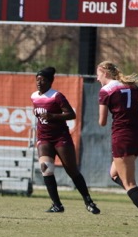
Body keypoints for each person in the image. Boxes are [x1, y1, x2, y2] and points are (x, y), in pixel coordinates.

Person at [97, 61, 138, 227]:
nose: (97, 79)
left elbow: (102, 122)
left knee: (129, 183)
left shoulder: (105, 91)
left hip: (122, 137)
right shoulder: (130, 87)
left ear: (105, 73)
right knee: (114, 174)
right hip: (137, 136)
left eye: (98, 74)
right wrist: (136, 117)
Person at [31, 67, 100, 214]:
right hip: (44, 138)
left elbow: (71, 114)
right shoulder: (34, 96)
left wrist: (53, 117)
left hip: (60, 137)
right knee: (46, 168)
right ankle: (57, 205)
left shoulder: (57, 96)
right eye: (37, 80)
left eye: (42, 80)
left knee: (71, 170)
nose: (39, 82)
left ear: (50, 81)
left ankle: (89, 202)